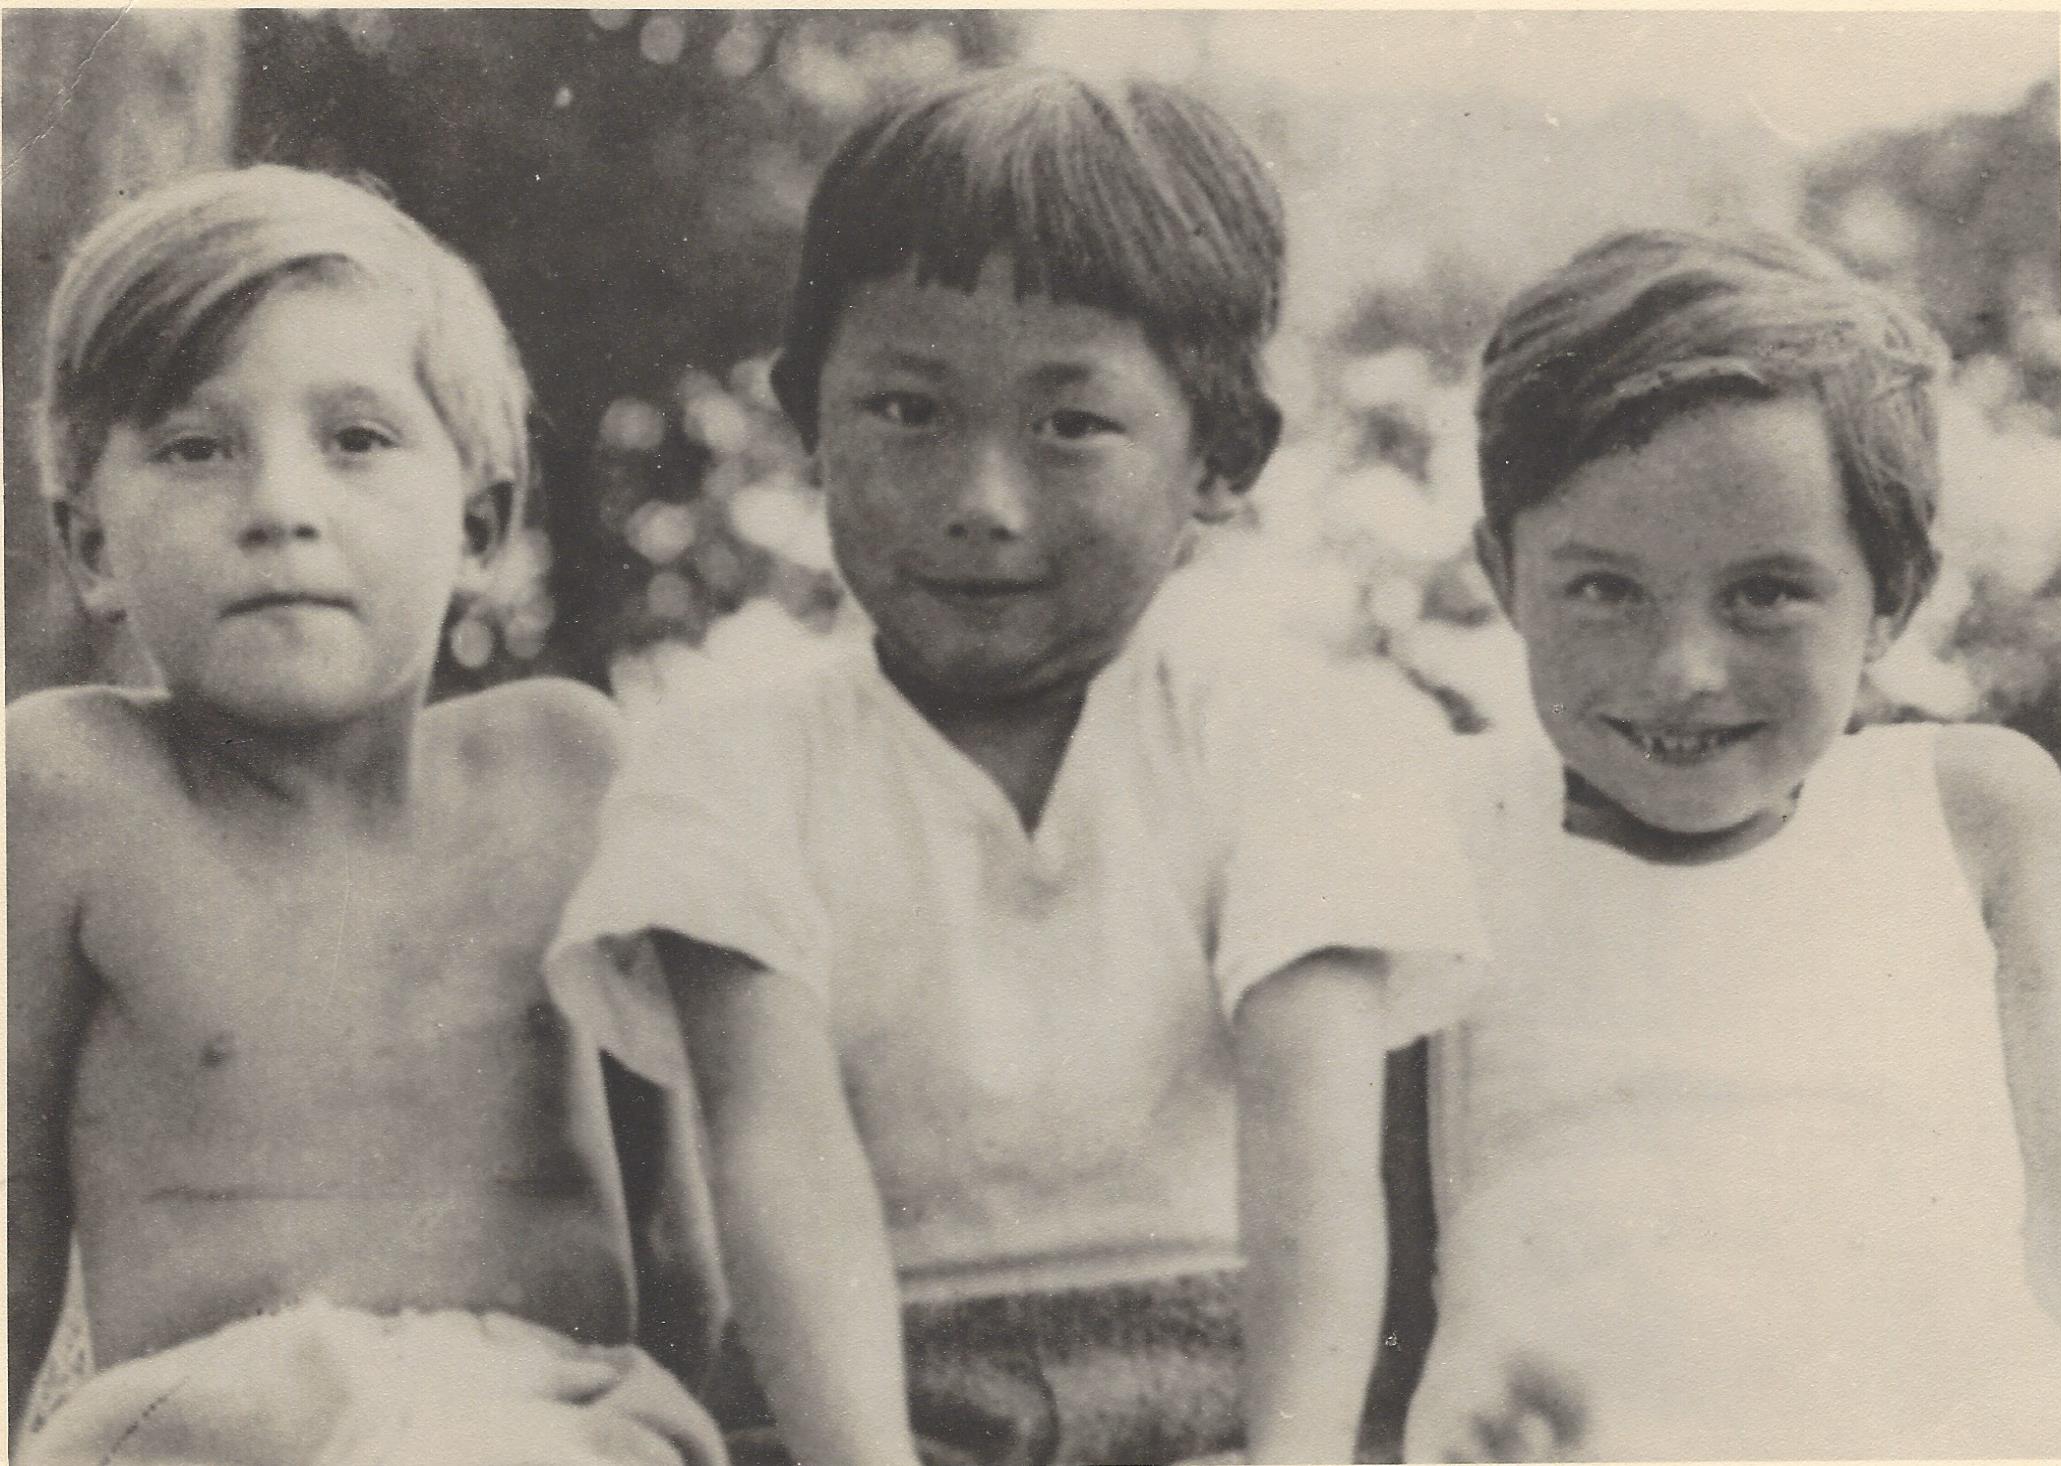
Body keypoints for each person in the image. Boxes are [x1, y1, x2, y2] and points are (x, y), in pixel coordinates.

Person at [553, 67, 1484, 1466]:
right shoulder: (727, 764)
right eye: (908, 411)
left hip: (1229, 1381)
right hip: (861, 1395)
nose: (981, 504)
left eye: (1069, 425)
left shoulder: (1303, 739)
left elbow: (1315, 1164)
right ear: (811, 420)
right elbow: (778, 1160)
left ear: (1220, 456)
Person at [6, 164, 726, 1466]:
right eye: (194, 445)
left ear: (481, 523)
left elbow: (683, 1219)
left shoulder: (565, 769)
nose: (281, 506)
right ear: (91, 546)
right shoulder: (72, 792)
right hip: (227, 1412)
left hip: (541, 1408)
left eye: (357, 439)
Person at [1404, 229, 2061, 1459]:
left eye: (1767, 591)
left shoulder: (1971, 816)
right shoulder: (1445, 823)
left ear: (1895, 593)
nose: (1684, 672)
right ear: (1505, 575)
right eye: (1604, 588)